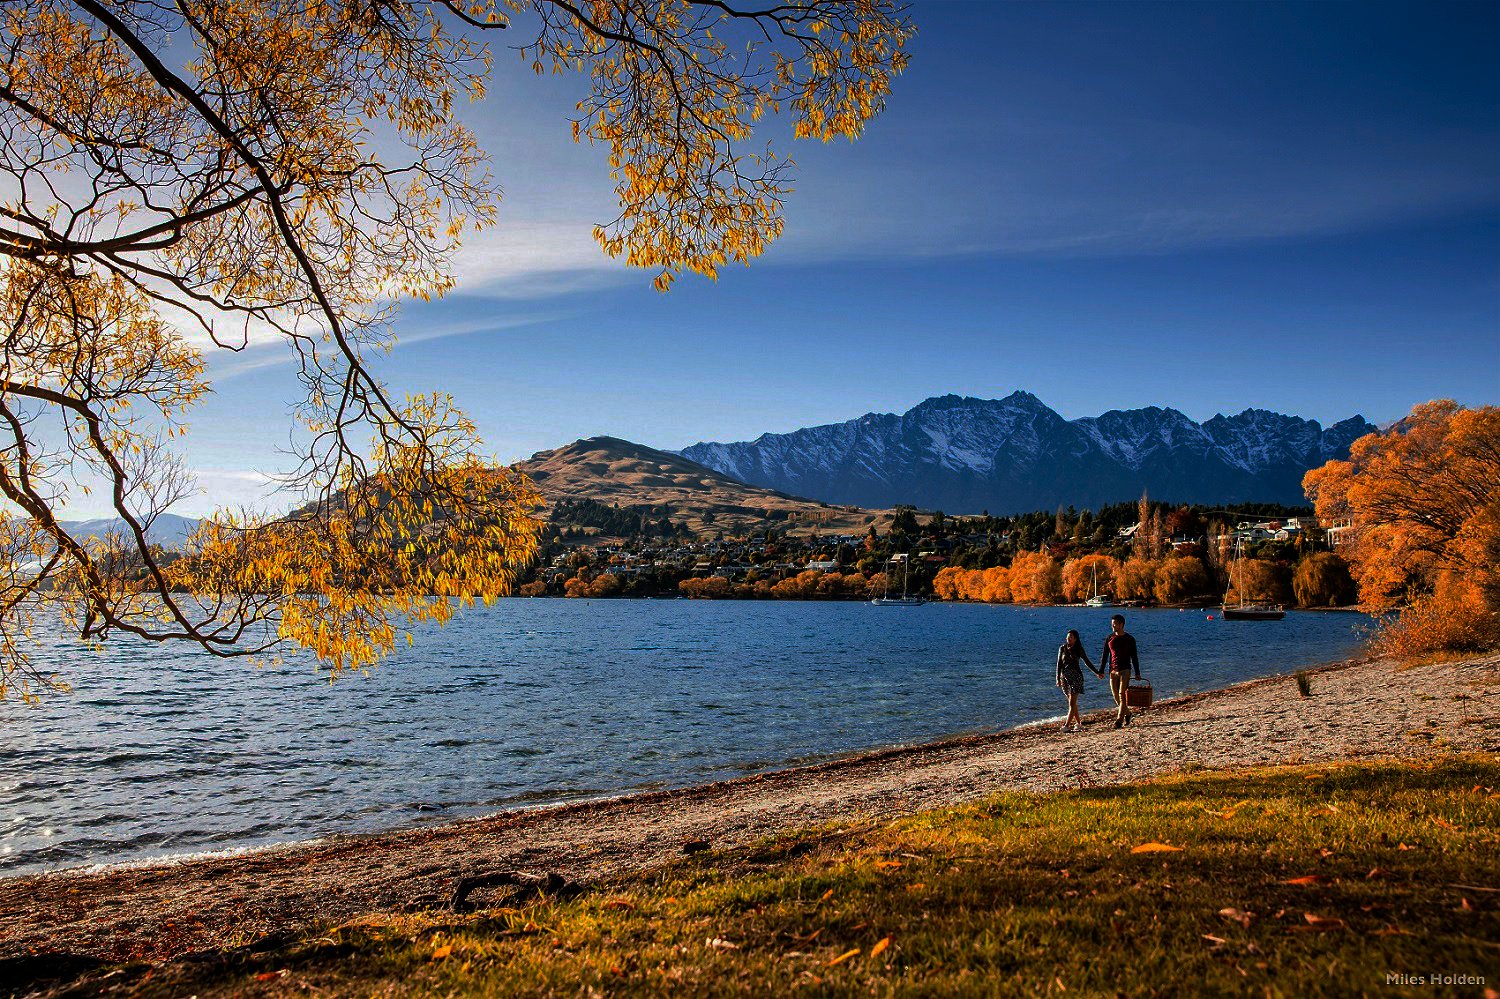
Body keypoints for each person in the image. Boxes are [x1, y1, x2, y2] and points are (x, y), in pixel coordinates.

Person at [1055, 628, 1101, 732]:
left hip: (1076, 678)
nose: (1069, 639)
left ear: (1075, 639)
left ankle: (1066, 726)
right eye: (1068, 637)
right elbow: (1059, 664)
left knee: (1072, 703)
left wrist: (1097, 672)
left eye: (1071, 637)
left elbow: (1087, 662)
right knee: (1072, 703)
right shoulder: (1062, 648)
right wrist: (1057, 678)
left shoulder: (1079, 649)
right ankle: (1079, 724)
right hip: (1065, 678)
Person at [1101, 613, 1141, 728]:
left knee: (1122, 694)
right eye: (1112, 625)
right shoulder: (1110, 638)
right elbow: (1104, 655)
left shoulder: (1130, 639)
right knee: (1116, 696)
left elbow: (1134, 657)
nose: (1113, 627)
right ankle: (1128, 713)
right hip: (1113, 671)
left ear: (1121, 624)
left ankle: (1119, 720)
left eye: (1115, 625)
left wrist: (1137, 672)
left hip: (1125, 670)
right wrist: (1101, 670)